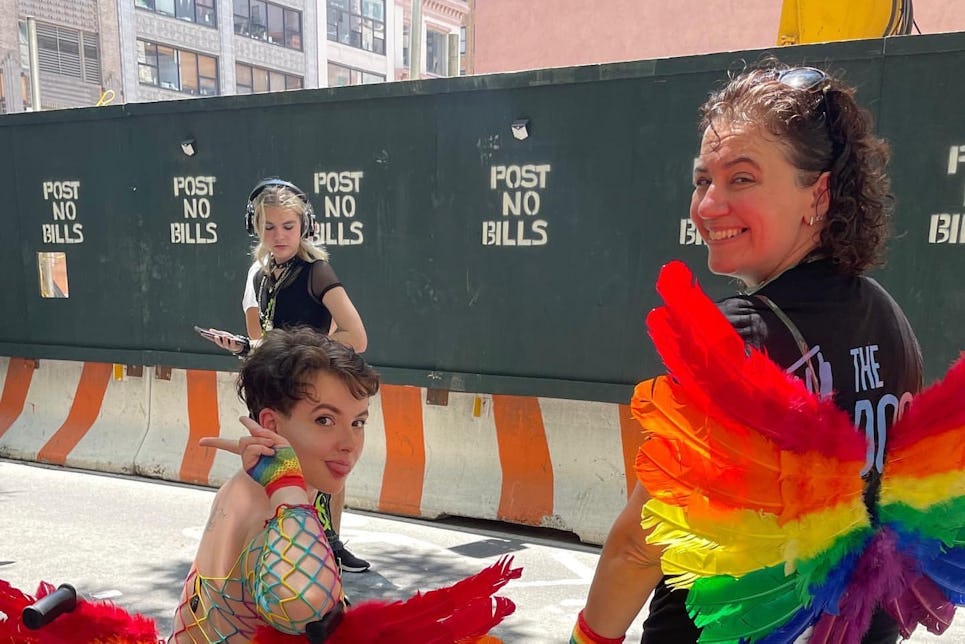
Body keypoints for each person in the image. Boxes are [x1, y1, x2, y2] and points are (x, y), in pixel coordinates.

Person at [573, 61, 923, 643]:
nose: (708, 205)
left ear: (819, 195)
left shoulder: (738, 339)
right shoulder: (890, 319)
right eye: (702, 180)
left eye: (741, 179)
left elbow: (641, 543)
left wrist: (588, 638)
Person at [201, 178, 371, 574]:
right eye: (270, 226)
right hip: (275, 391)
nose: (279, 235)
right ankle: (276, 545)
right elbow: (266, 341)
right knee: (275, 468)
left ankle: (327, 546)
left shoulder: (316, 272)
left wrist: (306, 354)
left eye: (288, 226)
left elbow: (356, 336)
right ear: (256, 228)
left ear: (304, 227)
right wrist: (243, 346)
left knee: (321, 469)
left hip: (311, 392)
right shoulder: (260, 277)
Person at [170, 326, 380, 642]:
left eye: (358, 422)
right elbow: (307, 608)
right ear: (271, 424)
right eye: (324, 420)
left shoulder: (245, 484)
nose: (349, 443)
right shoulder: (272, 507)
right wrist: (288, 490)